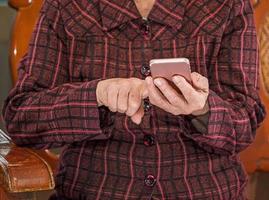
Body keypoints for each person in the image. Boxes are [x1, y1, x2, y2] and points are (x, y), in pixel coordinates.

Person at [2, 0, 266, 199]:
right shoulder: (67, 7)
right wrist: (95, 96)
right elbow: (22, 117)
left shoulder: (226, 5)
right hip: (94, 190)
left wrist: (203, 110)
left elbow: (243, 126)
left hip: (204, 190)